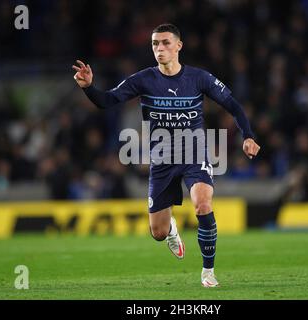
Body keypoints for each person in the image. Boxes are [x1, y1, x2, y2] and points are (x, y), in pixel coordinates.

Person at [73, 23, 260, 287]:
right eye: (155, 44)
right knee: (158, 233)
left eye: (165, 43)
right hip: (161, 159)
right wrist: (89, 88)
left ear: (178, 46)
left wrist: (248, 135)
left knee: (203, 203)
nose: (159, 48)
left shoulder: (199, 78)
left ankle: (208, 271)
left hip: (194, 151)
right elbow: (107, 101)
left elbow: (233, 105)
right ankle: (170, 228)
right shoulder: (143, 79)